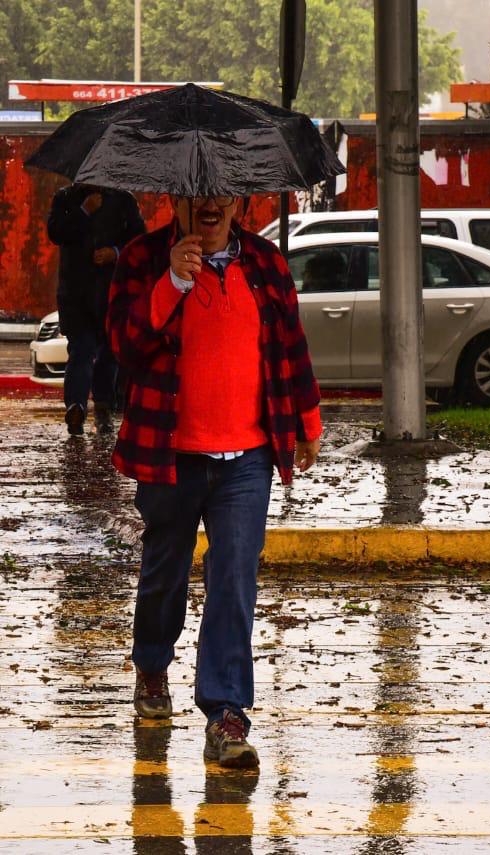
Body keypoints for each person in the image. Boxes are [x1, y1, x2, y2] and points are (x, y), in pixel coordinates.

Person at [107, 194, 323, 769]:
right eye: (197, 194)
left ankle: (226, 714)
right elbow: (123, 346)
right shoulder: (142, 258)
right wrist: (171, 284)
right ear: (176, 200)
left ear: (238, 202)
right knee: (164, 573)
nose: (210, 204)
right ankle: (152, 667)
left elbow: (291, 346)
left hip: (247, 457)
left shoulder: (266, 262)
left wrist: (307, 421)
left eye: (222, 194)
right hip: (169, 452)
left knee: (233, 580)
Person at [46, 183, 145, 435]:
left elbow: (139, 241)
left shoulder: (124, 200)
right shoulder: (65, 198)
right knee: (81, 349)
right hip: (75, 295)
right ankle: (76, 408)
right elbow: (56, 232)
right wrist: (84, 210)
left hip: (111, 292)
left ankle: (103, 407)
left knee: (109, 353)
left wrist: (115, 253)